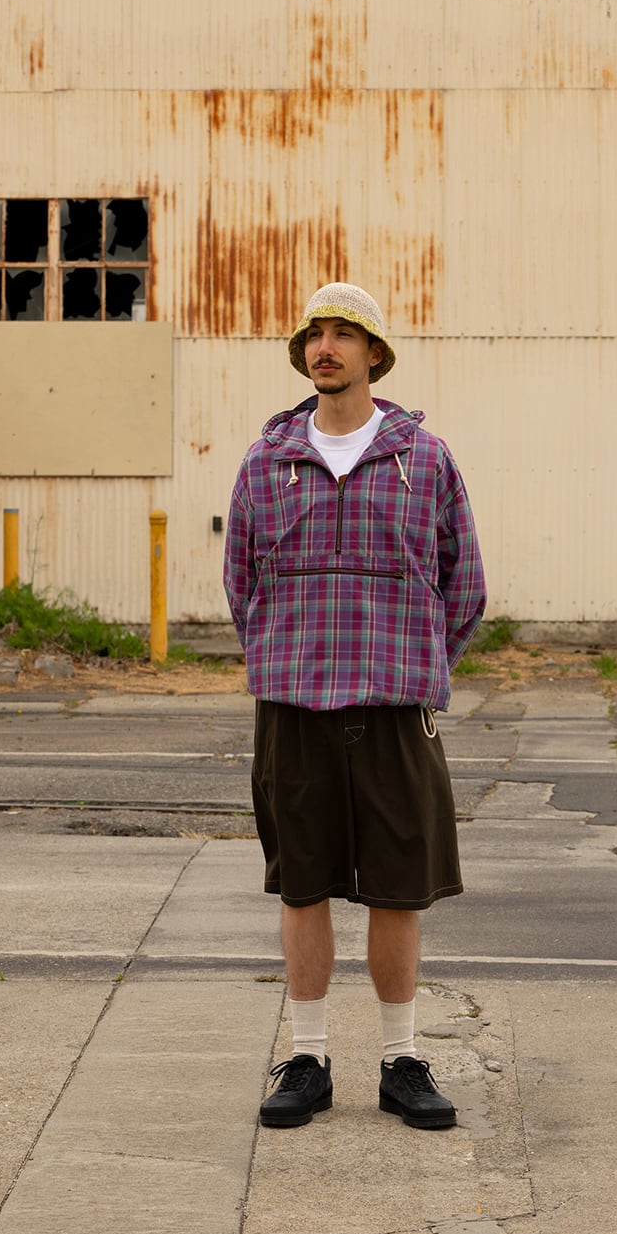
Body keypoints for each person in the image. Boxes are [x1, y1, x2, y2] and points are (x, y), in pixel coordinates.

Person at [223, 282, 486, 1130]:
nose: (325, 348)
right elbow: (241, 584)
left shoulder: (426, 460)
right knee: (302, 884)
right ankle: (307, 1059)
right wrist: (283, 656)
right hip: (293, 707)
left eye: (343, 334)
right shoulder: (265, 463)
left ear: (375, 353)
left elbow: (465, 586)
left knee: (398, 888)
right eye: (315, 334)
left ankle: (402, 1061)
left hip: (395, 709)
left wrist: (415, 664)